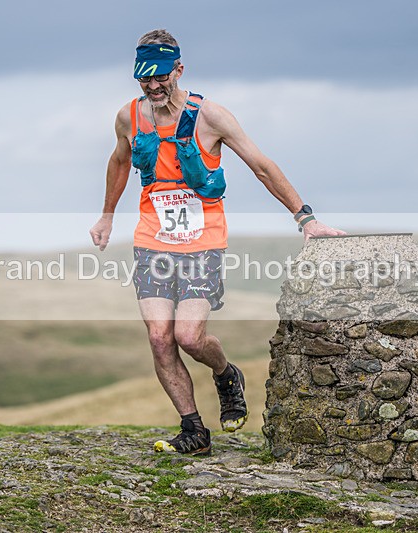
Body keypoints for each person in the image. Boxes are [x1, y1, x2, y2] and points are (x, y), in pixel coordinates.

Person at [90, 29, 345, 455]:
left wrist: (306, 218)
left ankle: (227, 375)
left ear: (179, 69)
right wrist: (107, 215)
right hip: (152, 239)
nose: (153, 87)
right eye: (143, 80)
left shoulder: (211, 116)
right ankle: (194, 430)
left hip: (202, 241)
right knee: (159, 337)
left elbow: (261, 166)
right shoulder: (127, 117)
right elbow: (118, 161)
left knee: (189, 337)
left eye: (160, 78)